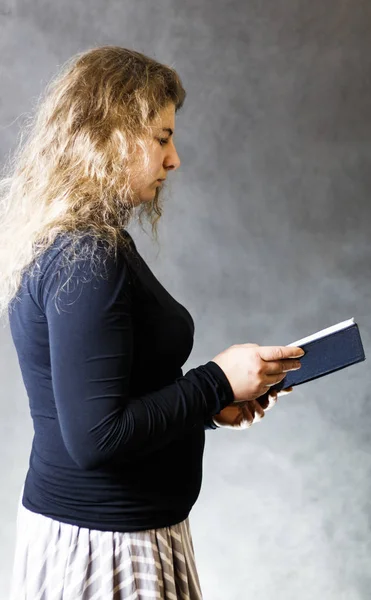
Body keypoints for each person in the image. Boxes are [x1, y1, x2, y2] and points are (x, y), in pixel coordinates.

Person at [1, 46, 304, 600]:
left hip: (114, 540)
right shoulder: (86, 256)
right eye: (162, 137)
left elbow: (121, 394)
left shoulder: (81, 241)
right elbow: (96, 437)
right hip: (106, 555)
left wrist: (208, 408)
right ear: (107, 135)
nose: (174, 159)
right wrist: (215, 379)